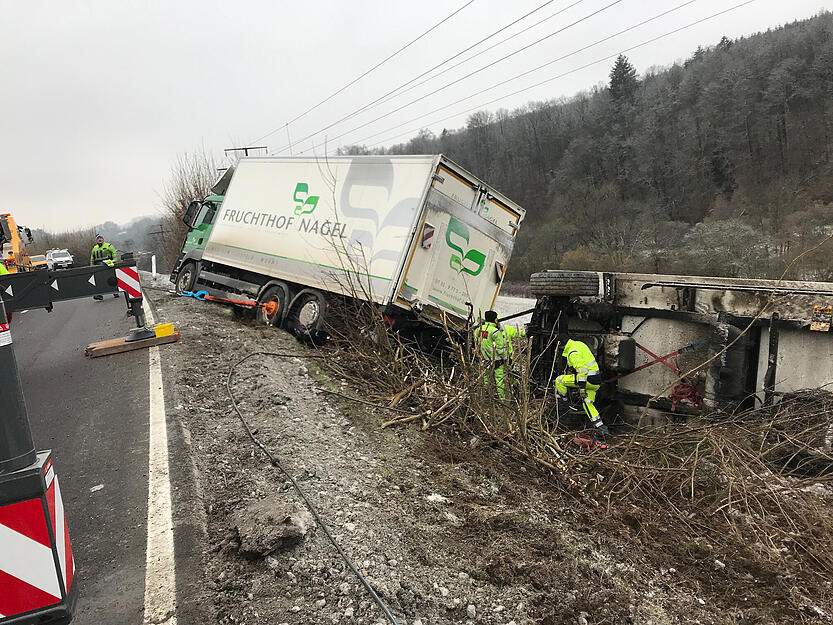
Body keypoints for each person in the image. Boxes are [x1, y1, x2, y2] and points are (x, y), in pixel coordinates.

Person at [555, 338, 610, 439]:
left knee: (559, 380)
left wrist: (581, 387)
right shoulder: (579, 344)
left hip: (587, 380)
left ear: (562, 346)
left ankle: (563, 405)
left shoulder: (572, 353)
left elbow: (582, 370)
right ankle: (601, 428)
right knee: (587, 403)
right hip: (596, 381)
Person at [476, 310, 526, 398]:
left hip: (485, 360)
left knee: (486, 379)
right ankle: (502, 399)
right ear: (495, 320)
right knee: (500, 380)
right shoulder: (495, 332)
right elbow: (500, 349)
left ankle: (485, 397)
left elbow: (476, 343)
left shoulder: (478, 330)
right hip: (499, 360)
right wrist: (506, 358)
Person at [90, 234, 119, 300]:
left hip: (108, 265)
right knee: (99, 280)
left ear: (103, 239)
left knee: (111, 279)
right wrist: (92, 266)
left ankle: (115, 292)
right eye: (98, 238)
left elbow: (114, 253)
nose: (99, 239)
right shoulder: (94, 248)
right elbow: (92, 258)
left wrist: (114, 261)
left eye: (101, 238)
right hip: (98, 266)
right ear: (96, 240)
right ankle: (99, 295)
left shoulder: (109, 246)